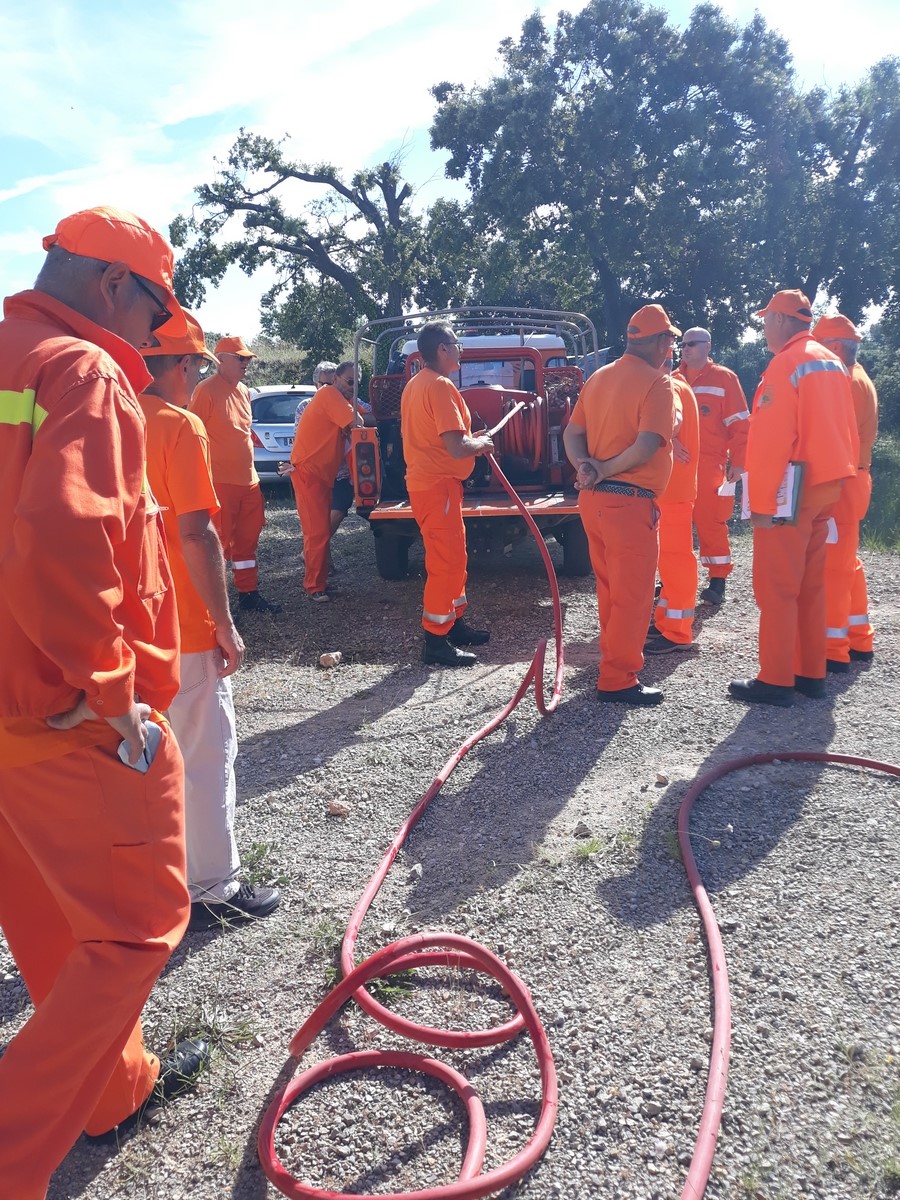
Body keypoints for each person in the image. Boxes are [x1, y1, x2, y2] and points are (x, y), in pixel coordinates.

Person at [0, 206, 208, 1196]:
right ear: (117, 286)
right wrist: (116, 697)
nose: (157, 333)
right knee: (136, 928)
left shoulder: (10, 355)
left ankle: (111, 1091)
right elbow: (67, 547)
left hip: (8, 711)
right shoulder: (81, 371)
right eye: (156, 307)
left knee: (50, 917)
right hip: (66, 712)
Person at [140, 314, 282, 930]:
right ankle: (210, 890)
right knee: (202, 755)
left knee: (141, 759)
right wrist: (225, 623)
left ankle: (152, 879)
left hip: (126, 628)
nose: (197, 375)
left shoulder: (104, 417)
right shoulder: (177, 426)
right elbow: (195, 534)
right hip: (182, 625)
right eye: (194, 364)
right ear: (179, 365)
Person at [730, 290, 859, 707]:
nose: (763, 326)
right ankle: (810, 674)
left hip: (792, 495)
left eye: (766, 319)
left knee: (778, 587)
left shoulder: (786, 364)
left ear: (783, 321)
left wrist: (763, 504)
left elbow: (771, 442)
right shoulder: (832, 360)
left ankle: (776, 680)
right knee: (811, 586)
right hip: (827, 487)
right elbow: (848, 428)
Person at [563, 304, 678, 705]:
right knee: (634, 596)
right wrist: (606, 469)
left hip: (592, 503)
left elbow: (572, 432)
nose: (672, 347)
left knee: (611, 590)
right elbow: (647, 446)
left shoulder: (598, 377)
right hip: (628, 504)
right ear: (661, 342)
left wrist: (586, 467)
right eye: (671, 340)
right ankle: (618, 679)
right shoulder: (658, 384)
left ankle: (613, 664)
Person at [400, 321, 494, 666]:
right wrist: (480, 444)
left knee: (455, 558)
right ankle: (436, 642)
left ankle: (453, 624)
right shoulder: (439, 386)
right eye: (457, 344)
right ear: (442, 349)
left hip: (435, 485)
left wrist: (472, 439)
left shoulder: (417, 384)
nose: (461, 351)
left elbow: (443, 437)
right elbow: (456, 447)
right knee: (445, 563)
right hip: (436, 485)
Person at [189, 335, 281, 615]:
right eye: (240, 358)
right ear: (221, 360)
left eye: (248, 359)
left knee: (247, 541)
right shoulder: (205, 391)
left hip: (249, 483)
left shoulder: (244, 391)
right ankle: (213, 607)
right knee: (219, 544)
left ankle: (248, 594)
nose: (246, 363)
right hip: (219, 483)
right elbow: (193, 435)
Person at [813, 314, 879, 670]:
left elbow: (831, 439)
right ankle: (858, 638)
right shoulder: (860, 379)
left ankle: (832, 650)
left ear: (835, 347)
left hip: (841, 481)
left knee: (832, 569)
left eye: (818, 343)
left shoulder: (843, 382)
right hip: (854, 479)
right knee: (847, 564)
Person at [676, 326, 749, 606]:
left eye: (692, 343)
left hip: (710, 465)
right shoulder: (672, 379)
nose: (686, 348)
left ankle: (718, 580)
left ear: (708, 346)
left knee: (711, 522)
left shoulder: (724, 379)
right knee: (674, 524)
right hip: (677, 465)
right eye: (683, 344)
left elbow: (741, 426)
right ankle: (672, 578)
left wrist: (739, 463)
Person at [289, 361, 363, 601]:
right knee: (317, 532)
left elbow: (361, 418)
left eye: (357, 382)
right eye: (350, 381)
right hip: (309, 473)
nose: (353, 386)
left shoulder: (340, 399)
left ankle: (319, 581)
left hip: (320, 474)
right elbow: (358, 424)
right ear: (337, 380)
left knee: (320, 530)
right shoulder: (329, 394)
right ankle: (314, 586)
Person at [646, 353, 700, 653]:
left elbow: (671, 421)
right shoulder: (678, 385)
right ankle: (666, 619)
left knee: (675, 560)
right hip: (674, 489)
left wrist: (665, 435)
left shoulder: (668, 387)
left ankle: (677, 632)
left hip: (673, 491)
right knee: (670, 560)